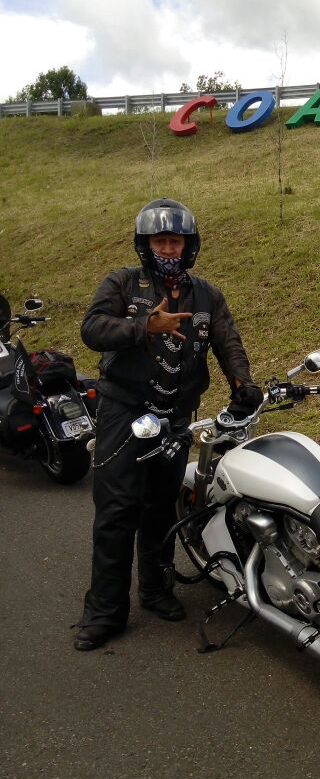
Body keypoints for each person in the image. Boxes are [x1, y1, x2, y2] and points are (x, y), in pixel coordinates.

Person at [74, 198, 262, 651]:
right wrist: (144, 327)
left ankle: (156, 590)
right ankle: (104, 611)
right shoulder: (122, 283)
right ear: (145, 244)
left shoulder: (207, 295)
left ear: (188, 245)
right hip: (124, 411)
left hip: (176, 417)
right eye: (160, 240)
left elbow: (227, 341)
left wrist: (243, 383)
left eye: (175, 240)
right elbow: (92, 328)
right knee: (117, 511)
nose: (168, 248)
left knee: (161, 507)